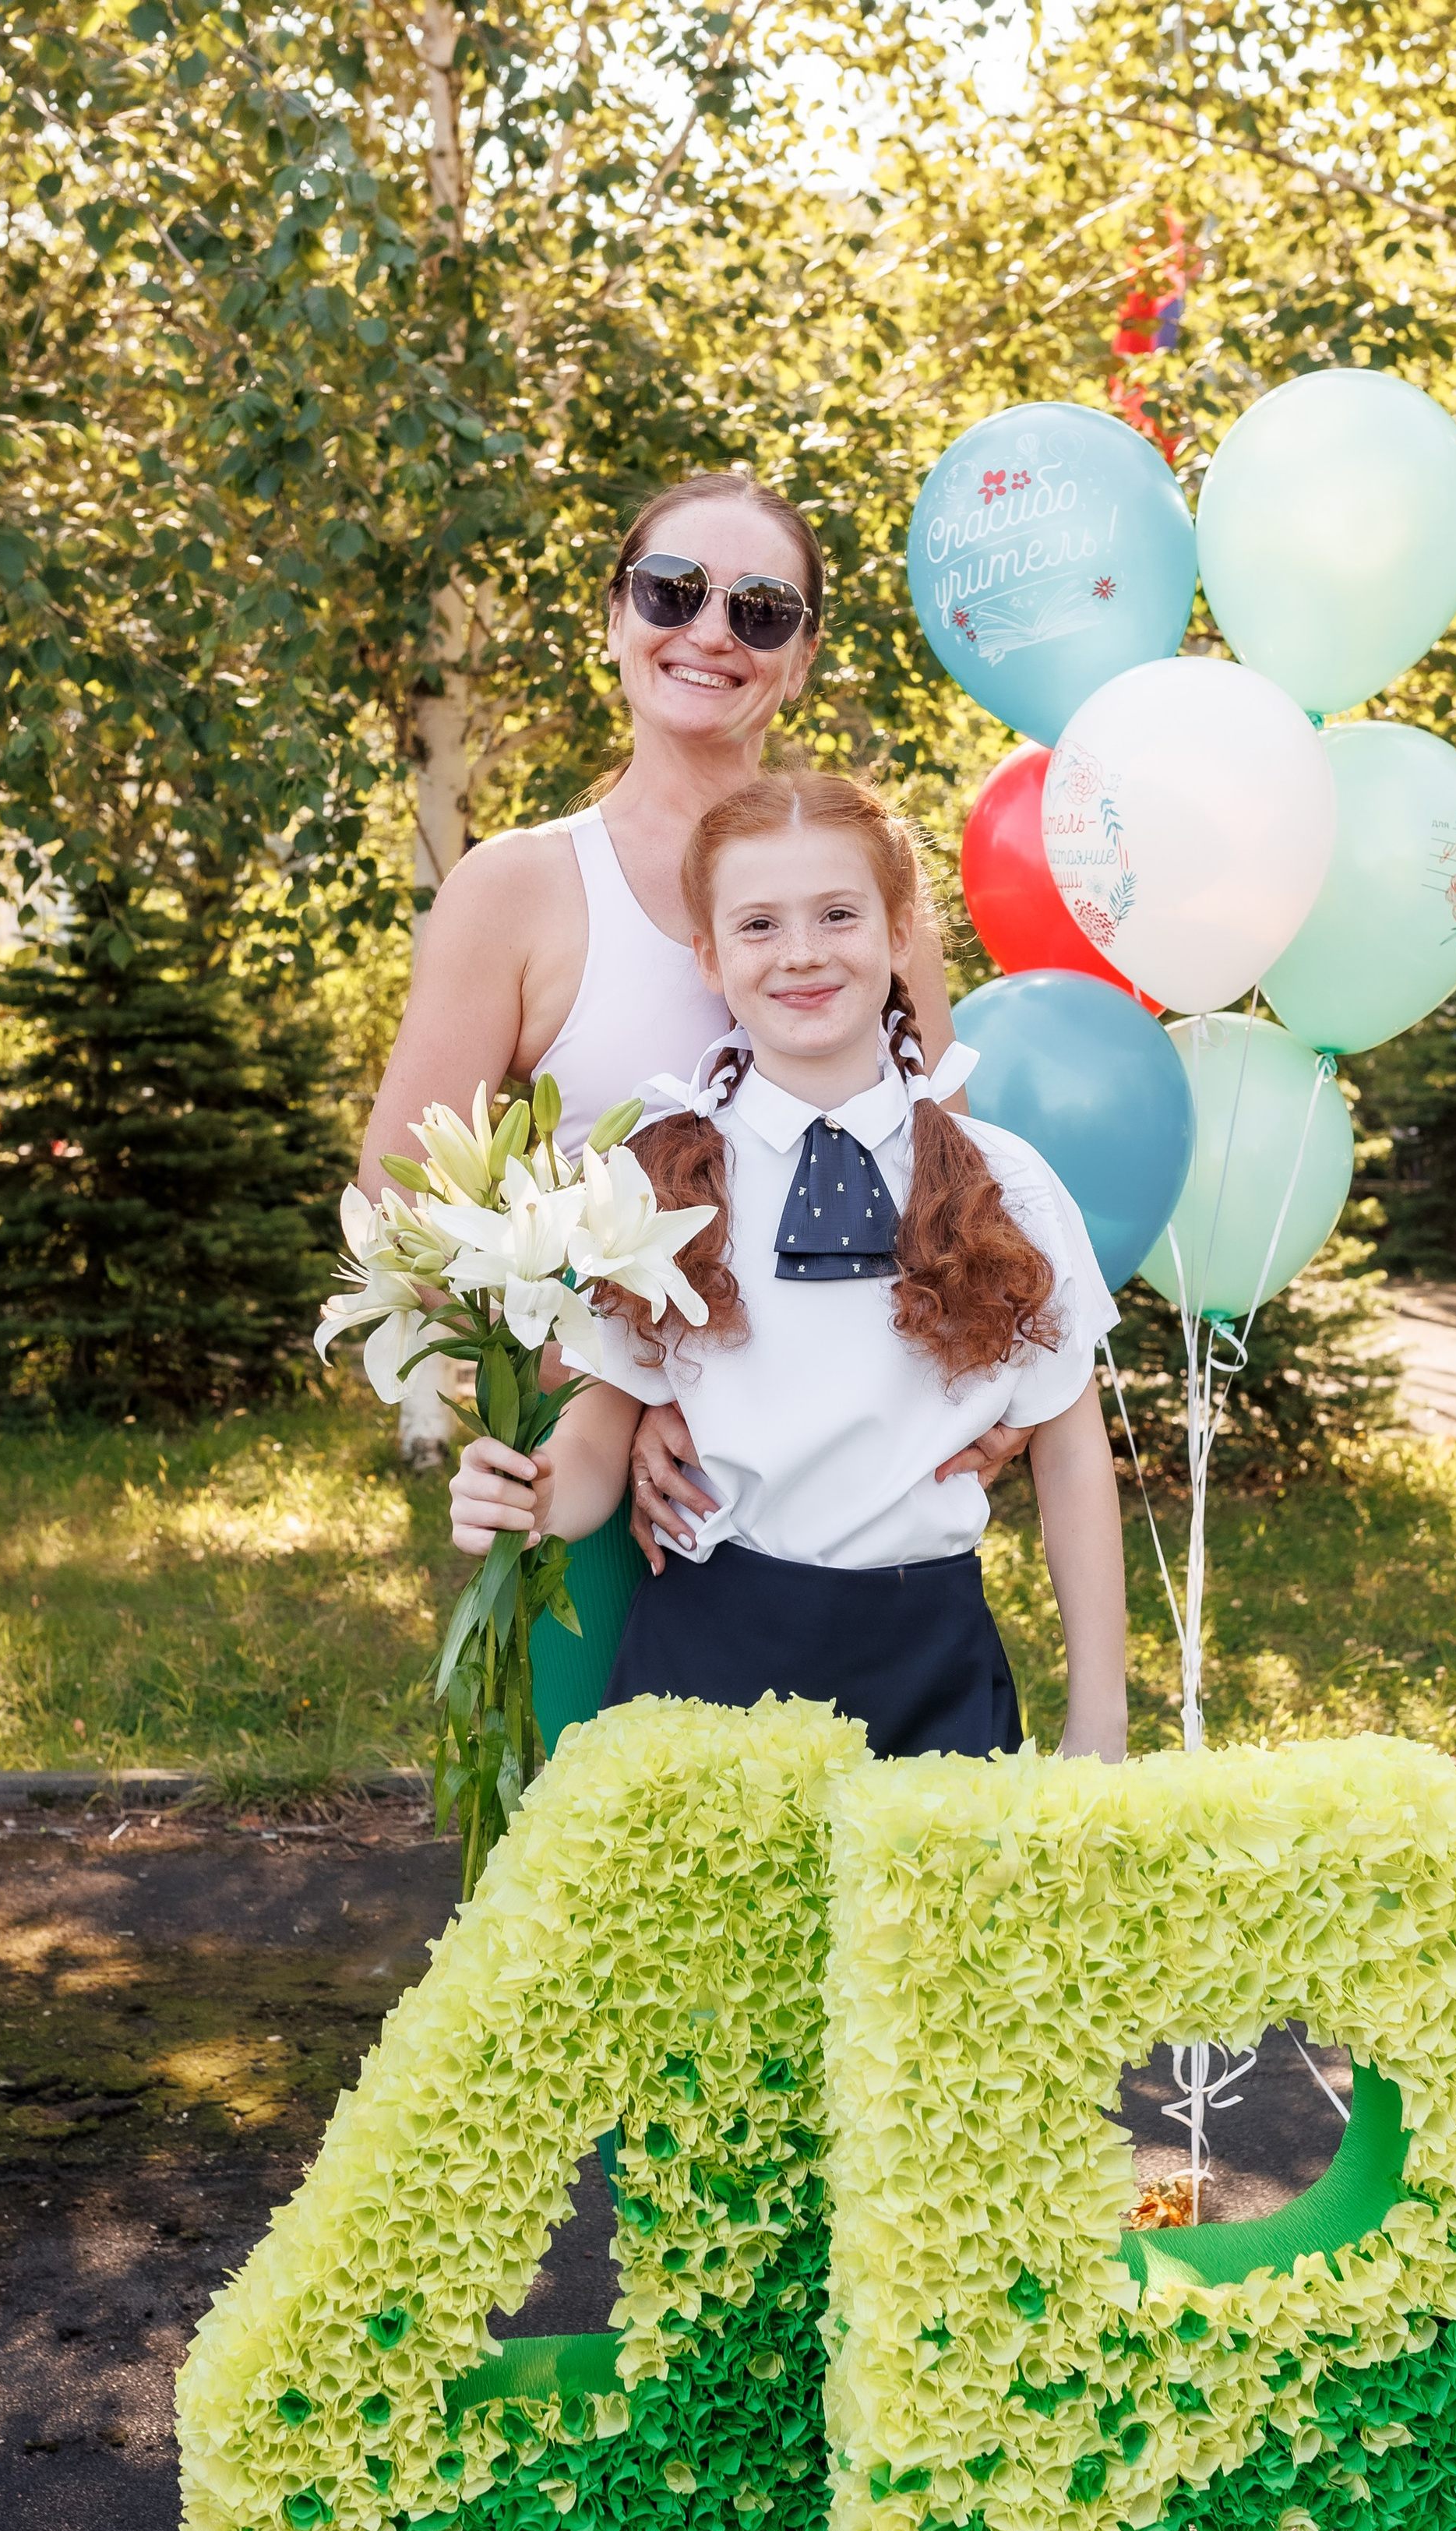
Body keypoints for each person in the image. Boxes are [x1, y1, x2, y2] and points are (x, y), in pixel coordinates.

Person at [360, 471, 1028, 1745]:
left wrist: (986, 1415)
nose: (712, 631)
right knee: (613, 1909)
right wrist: (615, 1392)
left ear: (803, 653)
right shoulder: (517, 889)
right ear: (616, 617)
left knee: (856, 1911)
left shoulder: (868, 886)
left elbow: (949, 1196)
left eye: (762, 608)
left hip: (847, 1542)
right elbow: (402, 1203)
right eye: (675, 591)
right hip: (615, 1511)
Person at [446, 771, 1127, 1764]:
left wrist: (1098, 1720)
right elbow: (606, 1425)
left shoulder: (1005, 1183)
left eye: (839, 915)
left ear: (900, 937)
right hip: (704, 1662)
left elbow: (1069, 1451)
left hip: (930, 1662)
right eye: (758, 925)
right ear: (710, 958)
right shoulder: (656, 1181)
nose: (802, 952)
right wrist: (532, 1492)